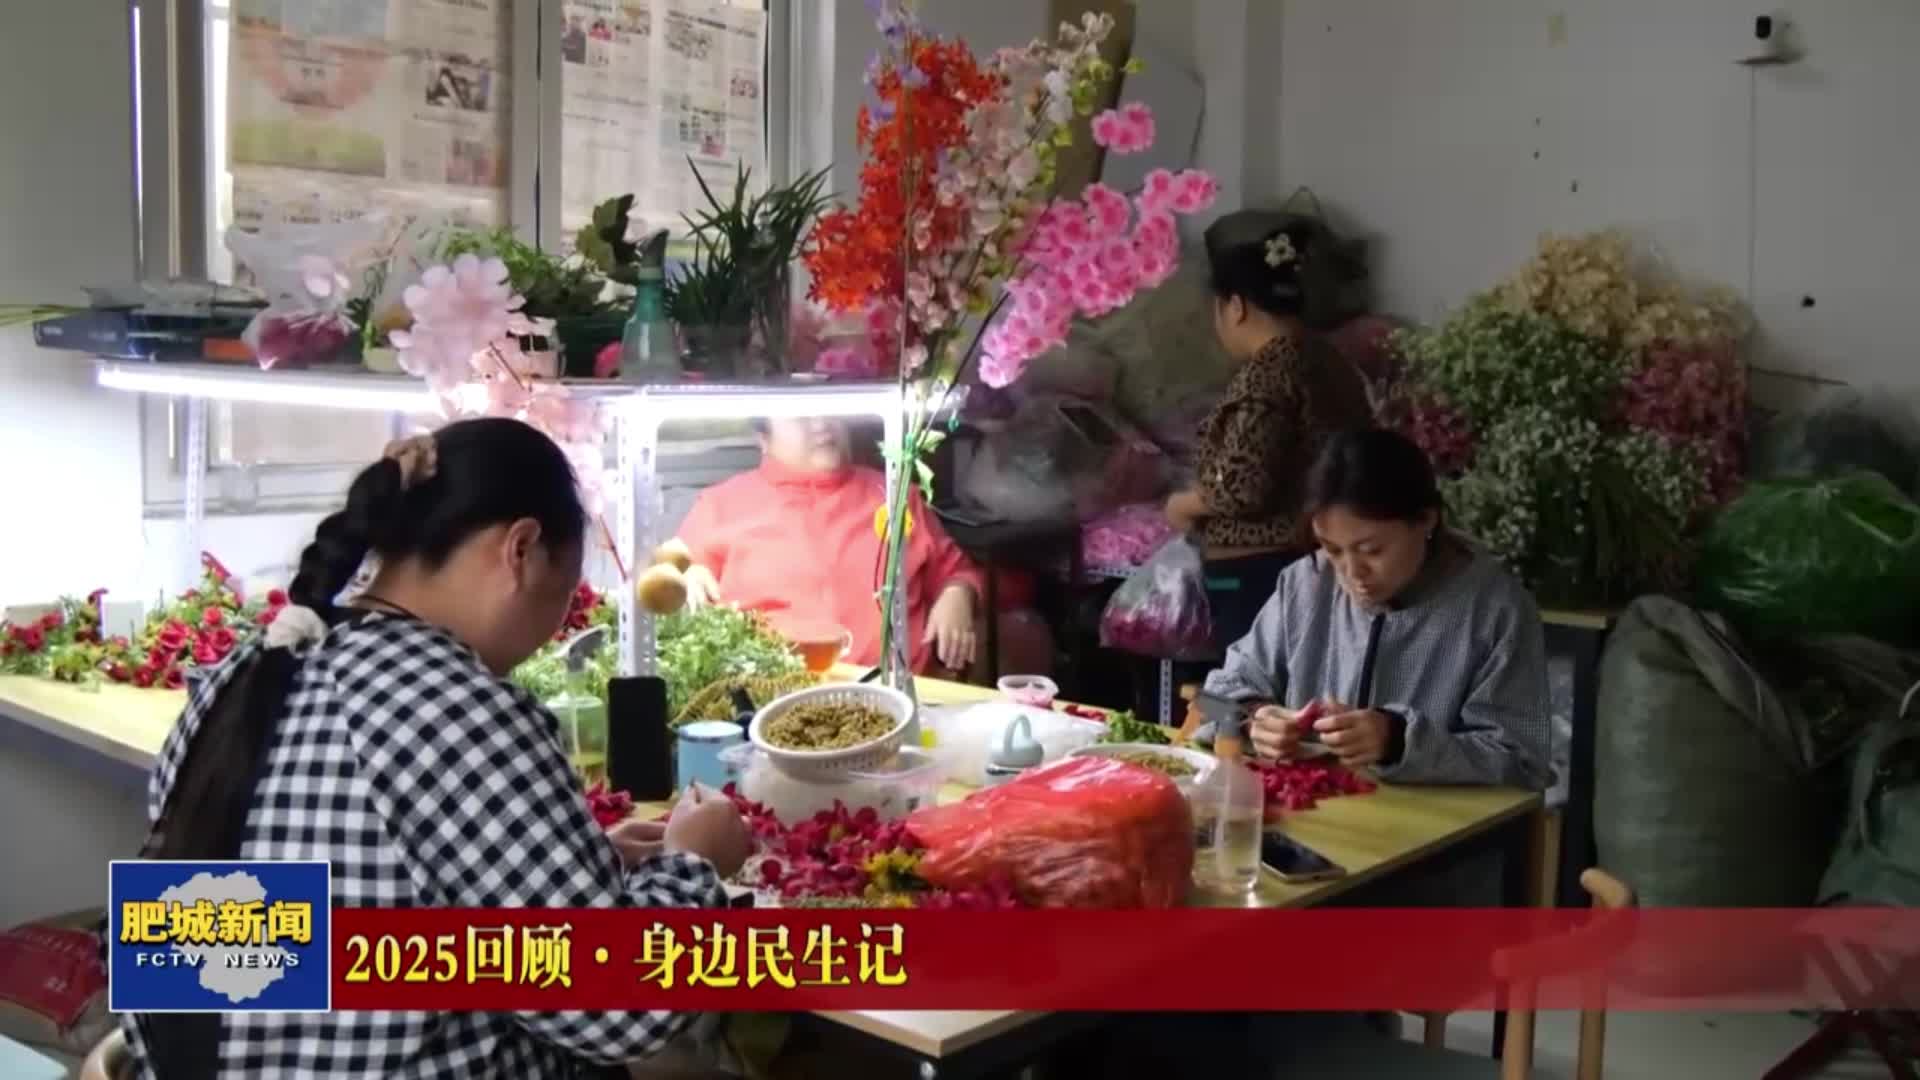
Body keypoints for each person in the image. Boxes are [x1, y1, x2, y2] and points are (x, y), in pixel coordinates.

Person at [121, 419, 751, 1079]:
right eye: (566, 593)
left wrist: (575, 864)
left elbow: (281, 938)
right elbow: (622, 1010)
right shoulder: (453, 708)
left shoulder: (245, 675)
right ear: (521, 549)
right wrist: (695, 862)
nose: (553, 629)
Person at [1201, 429, 1550, 790]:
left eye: (1372, 550)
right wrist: (1253, 719)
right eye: (1333, 549)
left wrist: (1398, 740)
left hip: (1430, 824)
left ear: (1426, 520)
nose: (1352, 573)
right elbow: (1209, 703)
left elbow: (1522, 761)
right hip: (1310, 816)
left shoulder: (1494, 608)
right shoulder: (1305, 584)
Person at [1163, 210, 1376, 652]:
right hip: (1319, 554)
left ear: (1235, 306)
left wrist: (1186, 504)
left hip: (1258, 572)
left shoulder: (1269, 373)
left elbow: (1242, 485)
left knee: (1257, 685)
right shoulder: (1332, 364)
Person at [674, 416, 999, 677]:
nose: (822, 424)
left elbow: (957, 570)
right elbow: (673, 568)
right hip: (770, 694)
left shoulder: (894, 495)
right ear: (763, 439)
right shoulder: (721, 503)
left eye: (833, 414)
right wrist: (688, 574)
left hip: (897, 694)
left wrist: (958, 594)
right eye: (802, 417)